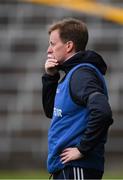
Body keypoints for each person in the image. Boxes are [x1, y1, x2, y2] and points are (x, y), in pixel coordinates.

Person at [42, 18, 113, 179]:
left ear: (69, 46)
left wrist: (82, 149)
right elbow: (51, 111)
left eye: (53, 44)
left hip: (77, 168)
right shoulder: (71, 74)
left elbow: (102, 112)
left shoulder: (82, 75)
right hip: (68, 168)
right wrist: (50, 77)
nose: (49, 50)